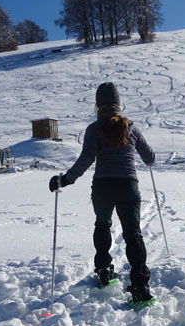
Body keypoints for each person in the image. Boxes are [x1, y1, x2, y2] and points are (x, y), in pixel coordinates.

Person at [49, 81, 155, 302]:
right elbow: (150, 157)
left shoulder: (94, 129)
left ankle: (104, 269)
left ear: (98, 105)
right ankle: (140, 287)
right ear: (118, 104)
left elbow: (85, 159)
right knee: (133, 234)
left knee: (102, 224)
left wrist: (65, 180)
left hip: (103, 187)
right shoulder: (131, 127)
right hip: (128, 186)